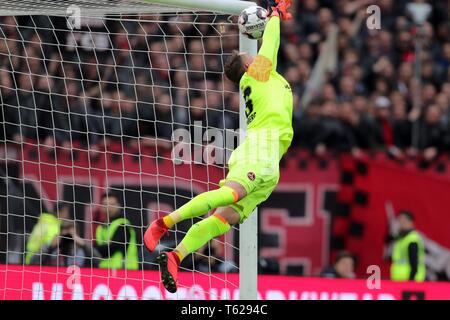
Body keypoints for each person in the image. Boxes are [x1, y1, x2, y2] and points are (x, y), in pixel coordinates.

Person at [143, 0, 294, 293]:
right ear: (248, 65)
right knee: (230, 193)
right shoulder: (257, 74)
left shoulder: (263, 77)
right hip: (261, 148)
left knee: (223, 219)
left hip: (270, 159)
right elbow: (272, 42)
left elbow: (271, 47)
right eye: (248, 54)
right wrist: (274, 15)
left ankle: (176, 255)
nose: (255, 54)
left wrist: (276, 17)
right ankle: (164, 223)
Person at [30, 216, 102, 268]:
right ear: (60, 233)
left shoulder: (82, 247)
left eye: (70, 234)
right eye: (65, 233)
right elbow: (33, 262)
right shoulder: (52, 245)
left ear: (77, 234)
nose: (68, 237)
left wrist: (84, 246)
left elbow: (98, 261)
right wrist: (50, 247)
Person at [95, 193, 139, 270]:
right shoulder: (100, 228)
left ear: (119, 205)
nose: (109, 208)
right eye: (105, 204)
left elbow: (111, 249)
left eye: (112, 204)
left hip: (125, 270)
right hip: (104, 269)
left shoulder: (123, 224)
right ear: (101, 207)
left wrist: (103, 247)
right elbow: (97, 249)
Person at [390, 210, 426, 282]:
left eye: (402, 220)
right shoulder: (401, 238)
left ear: (409, 222)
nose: (400, 223)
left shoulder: (412, 239)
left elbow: (414, 263)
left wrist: (411, 280)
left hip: (411, 281)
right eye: (399, 220)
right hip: (399, 280)